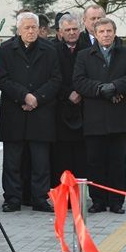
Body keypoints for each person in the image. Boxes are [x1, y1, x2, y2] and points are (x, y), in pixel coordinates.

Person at [73, 17, 126, 214]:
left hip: (118, 119)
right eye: (101, 31)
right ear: (95, 34)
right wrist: (101, 89)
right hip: (94, 119)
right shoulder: (84, 55)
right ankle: (98, 201)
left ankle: (117, 201)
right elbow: (79, 81)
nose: (105, 35)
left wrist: (115, 86)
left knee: (117, 162)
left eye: (109, 31)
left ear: (114, 32)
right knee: (95, 162)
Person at [0, 12, 61, 213]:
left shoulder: (49, 50)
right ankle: (12, 198)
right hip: (14, 112)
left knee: (41, 161)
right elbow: (2, 79)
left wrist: (36, 98)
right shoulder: (6, 50)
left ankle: (40, 198)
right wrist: (24, 96)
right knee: (12, 161)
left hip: (41, 112)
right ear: (18, 30)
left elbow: (56, 79)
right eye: (27, 28)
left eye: (34, 27)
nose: (31, 31)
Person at [52, 13, 87, 184]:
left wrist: (80, 91)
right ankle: (62, 192)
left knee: (82, 157)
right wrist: (67, 94)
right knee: (61, 157)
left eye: (75, 29)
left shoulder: (87, 49)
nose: (72, 32)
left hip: (84, 108)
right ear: (60, 32)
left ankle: (79, 193)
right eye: (67, 30)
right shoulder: (52, 51)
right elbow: (51, 78)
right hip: (60, 110)